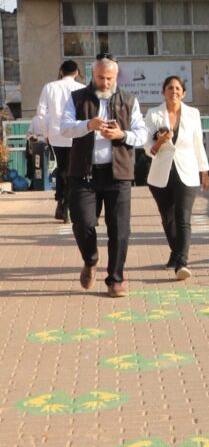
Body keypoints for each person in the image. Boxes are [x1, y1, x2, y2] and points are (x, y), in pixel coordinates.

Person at [59, 56, 149, 298]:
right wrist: (88, 124)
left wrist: (121, 134)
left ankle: (116, 279)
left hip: (118, 174)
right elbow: (64, 127)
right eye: (101, 77)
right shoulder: (77, 98)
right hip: (83, 174)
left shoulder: (129, 100)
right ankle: (90, 260)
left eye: (110, 78)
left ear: (116, 76)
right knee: (82, 223)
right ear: (92, 74)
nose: (105, 82)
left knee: (120, 230)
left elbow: (142, 135)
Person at [144, 76, 209, 281]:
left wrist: (204, 171)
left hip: (187, 170)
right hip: (161, 172)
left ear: (183, 93)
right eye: (170, 88)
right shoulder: (153, 114)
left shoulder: (192, 113)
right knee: (168, 218)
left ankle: (182, 262)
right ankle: (175, 252)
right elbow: (147, 147)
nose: (174, 91)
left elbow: (198, 143)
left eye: (177, 88)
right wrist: (159, 143)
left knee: (183, 217)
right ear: (163, 92)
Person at [29, 59, 85, 221]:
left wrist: (46, 132)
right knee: (75, 169)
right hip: (76, 133)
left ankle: (61, 202)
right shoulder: (82, 88)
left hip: (56, 134)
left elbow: (41, 112)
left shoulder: (49, 87)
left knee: (62, 167)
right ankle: (72, 203)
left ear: (61, 71)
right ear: (76, 73)